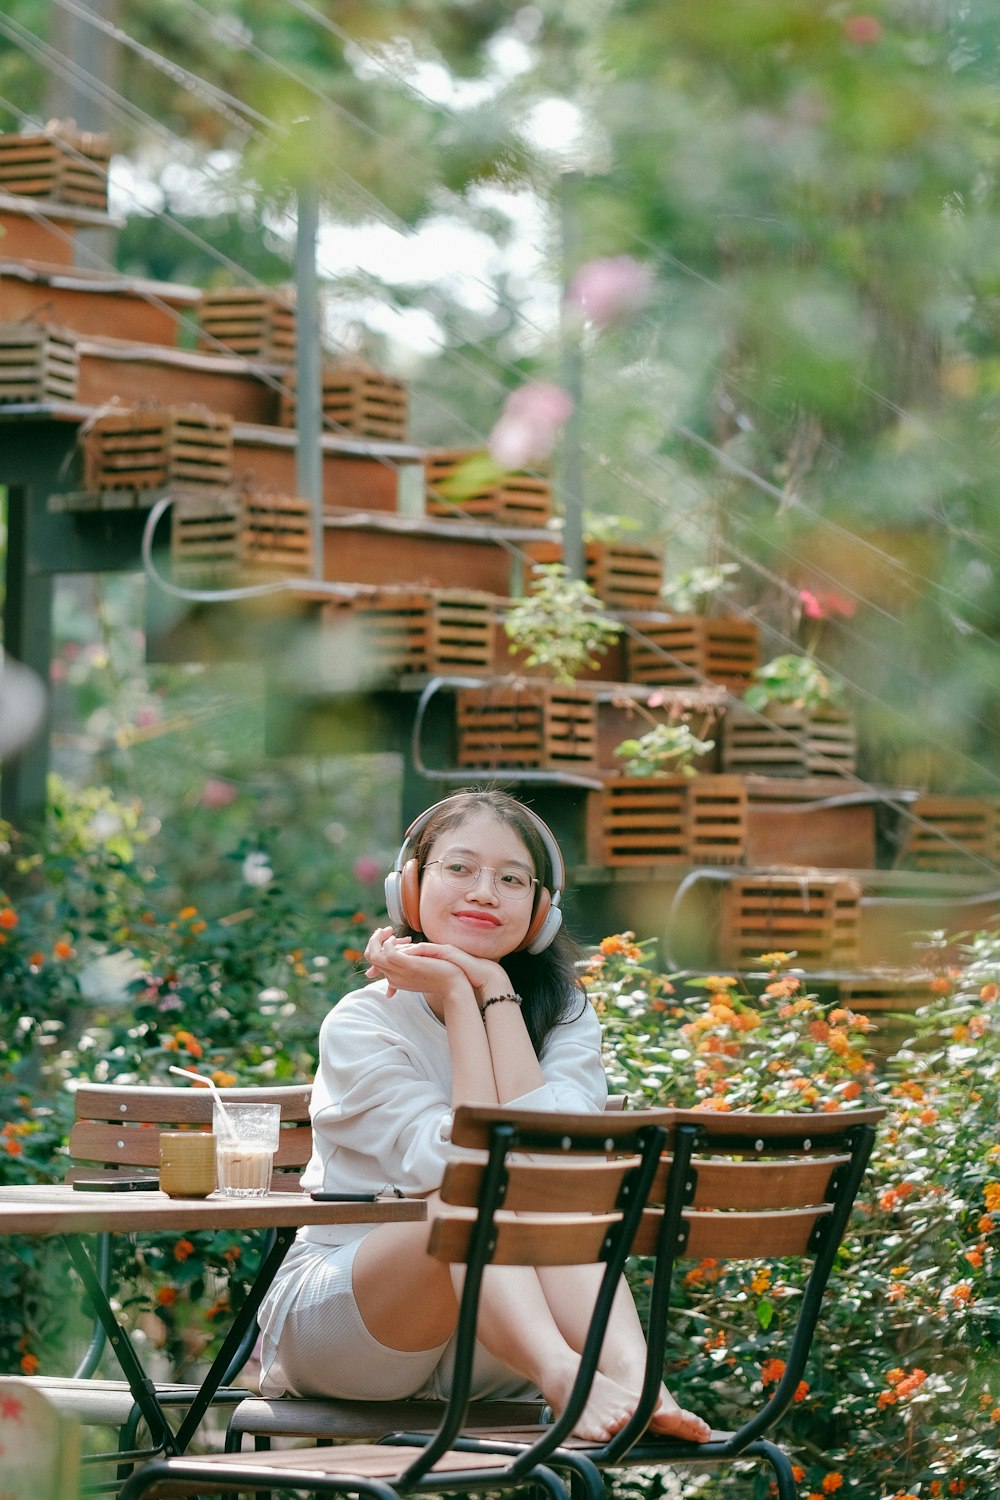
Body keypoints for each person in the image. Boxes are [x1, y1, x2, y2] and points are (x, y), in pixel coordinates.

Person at [257, 788, 709, 1443]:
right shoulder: (363, 1021)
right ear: (409, 888)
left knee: (553, 1198)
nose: (484, 892)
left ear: (541, 909)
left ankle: (640, 1384)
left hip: (499, 1341)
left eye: (511, 878)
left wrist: (491, 991)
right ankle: (565, 1377)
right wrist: (456, 997)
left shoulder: (566, 1018)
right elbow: (461, 1168)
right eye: (459, 869)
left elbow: (551, 1166)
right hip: (352, 1322)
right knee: (464, 1193)